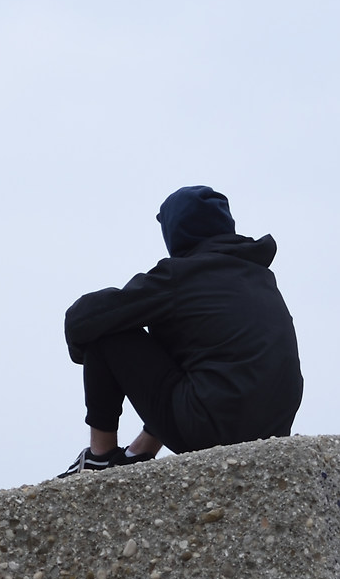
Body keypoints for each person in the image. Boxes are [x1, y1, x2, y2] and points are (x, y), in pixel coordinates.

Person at [59, 185, 303, 478]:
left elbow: (82, 319)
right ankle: (139, 453)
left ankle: (99, 456)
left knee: (107, 330)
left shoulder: (181, 275)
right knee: (193, 348)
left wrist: (85, 352)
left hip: (209, 428)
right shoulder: (260, 278)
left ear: (176, 230)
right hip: (272, 432)